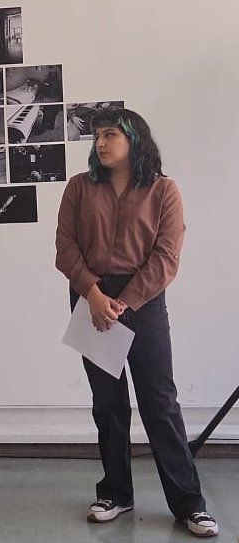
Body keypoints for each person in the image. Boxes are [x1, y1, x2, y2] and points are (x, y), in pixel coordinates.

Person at [55, 108, 218, 538]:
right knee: (107, 405)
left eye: (110, 134)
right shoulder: (79, 188)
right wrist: (93, 294)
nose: (101, 143)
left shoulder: (164, 190)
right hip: (90, 297)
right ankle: (115, 493)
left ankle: (189, 503)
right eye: (97, 136)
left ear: (135, 139)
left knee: (159, 403)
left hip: (142, 300)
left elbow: (166, 258)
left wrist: (122, 303)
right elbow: (65, 248)